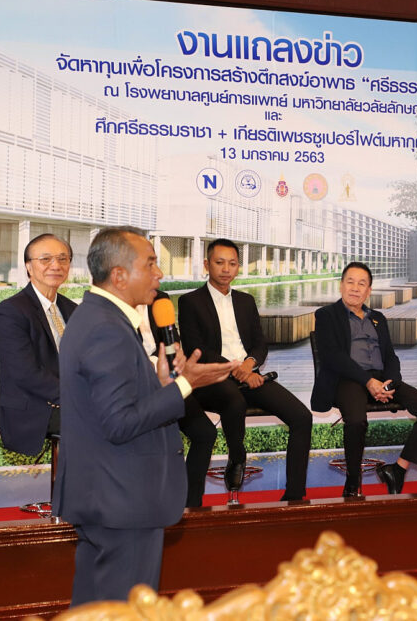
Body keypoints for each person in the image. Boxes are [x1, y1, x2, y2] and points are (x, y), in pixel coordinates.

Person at [53, 226, 235, 605]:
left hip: (111, 497)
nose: (159, 273)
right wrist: (184, 385)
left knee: (98, 608)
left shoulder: (100, 318)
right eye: (150, 264)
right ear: (119, 275)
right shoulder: (106, 329)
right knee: (124, 610)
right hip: (121, 500)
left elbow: (114, 405)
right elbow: (120, 422)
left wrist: (162, 382)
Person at [177, 239, 312, 502]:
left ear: (238, 267)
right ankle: (237, 456)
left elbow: (260, 343)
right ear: (206, 264)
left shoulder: (246, 301)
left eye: (232, 263)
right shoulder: (190, 301)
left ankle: (294, 497)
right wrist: (235, 369)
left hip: (249, 374)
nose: (226, 269)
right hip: (212, 379)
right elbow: (196, 348)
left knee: (302, 417)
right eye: (219, 262)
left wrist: (249, 364)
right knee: (234, 399)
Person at [311, 261, 417, 496]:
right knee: (356, 420)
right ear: (341, 285)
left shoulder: (378, 318)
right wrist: (368, 382)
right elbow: (333, 356)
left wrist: (390, 382)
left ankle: (398, 470)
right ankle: (353, 481)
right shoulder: (326, 315)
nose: (355, 288)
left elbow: (390, 356)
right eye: (350, 282)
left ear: (369, 290)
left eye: (362, 284)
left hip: (381, 378)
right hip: (347, 378)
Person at [0, 233, 76, 457]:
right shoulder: (11, 310)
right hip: (34, 409)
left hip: (70, 401)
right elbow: (25, 373)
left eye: (63, 259)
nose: (56, 265)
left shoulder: (72, 309)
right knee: (107, 420)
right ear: (29, 267)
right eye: (45, 259)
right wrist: (76, 396)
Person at [140, 289, 218, 509]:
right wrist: (156, 365)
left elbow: (172, 342)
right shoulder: (114, 306)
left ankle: (190, 506)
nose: (157, 274)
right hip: (136, 387)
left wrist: (178, 359)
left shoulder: (160, 299)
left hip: (168, 381)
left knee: (205, 433)